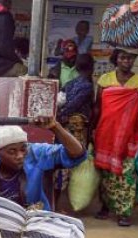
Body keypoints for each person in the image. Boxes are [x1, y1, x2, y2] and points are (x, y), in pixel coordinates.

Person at [93, 48, 138, 226]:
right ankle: (105, 206)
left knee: (127, 174)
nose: (127, 61)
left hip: (130, 135)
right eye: (123, 58)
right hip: (106, 133)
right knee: (106, 174)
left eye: (130, 58)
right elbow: (97, 107)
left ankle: (124, 212)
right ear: (116, 59)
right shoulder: (105, 79)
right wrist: (91, 130)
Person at [0, 117, 86, 211]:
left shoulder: (35, 153)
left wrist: (55, 127)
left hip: (37, 219)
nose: (20, 155)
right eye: (12, 151)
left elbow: (77, 153)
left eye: (23, 149)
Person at [55, 54, 95, 211]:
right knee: (71, 165)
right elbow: (73, 105)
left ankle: (58, 203)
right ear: (91, 67)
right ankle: (61, 205)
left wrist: (59, 117)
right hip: (76, 130)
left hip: (63, 128)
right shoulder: (87, 86)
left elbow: (60, 101)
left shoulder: (70, 83)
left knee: (62, 164)